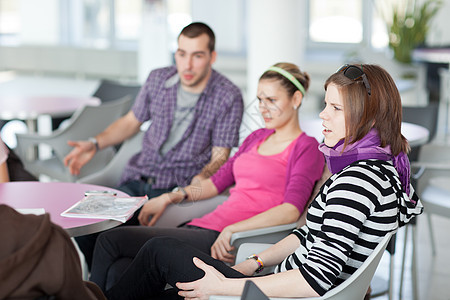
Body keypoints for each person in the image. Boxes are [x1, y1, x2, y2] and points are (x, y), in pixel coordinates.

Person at [97, 64, 424, 300]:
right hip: (264, 273)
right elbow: (306, 233)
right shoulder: (373, 169)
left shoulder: (353, 180)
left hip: (269, 284)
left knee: (156, 251)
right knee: (136, 266)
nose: (323, 114)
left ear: (367, 117)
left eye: (335, 108)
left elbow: (315, 278)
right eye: (325, 105)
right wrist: (175, 197)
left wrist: (226, 284)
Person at [89, 62, 325, 291]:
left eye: (272, 100)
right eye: (260, 99)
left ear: (296, 99)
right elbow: (213, 184)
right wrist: (171, 197)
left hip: (227, 240)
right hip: (204, 226)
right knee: (119, 268)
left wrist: (233, 229)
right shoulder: (256, 138)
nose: (263, 108)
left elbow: (290, 210)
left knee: (110, 241)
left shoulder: (306, 147)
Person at [64, 22, 244, 267]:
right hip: (134, 181)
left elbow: (220, 157)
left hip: (172, 189)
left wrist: (193, 186)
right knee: (86, 224)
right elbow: (131, 122)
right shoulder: (158, 79)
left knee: (115, 243)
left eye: (197, 56)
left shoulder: (227, 96)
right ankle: (100, 286)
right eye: (182, 54)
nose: (187, 65)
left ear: (212, 57)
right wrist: (95, 144)